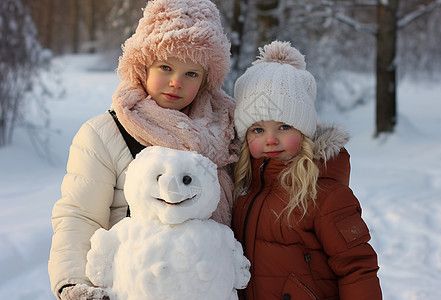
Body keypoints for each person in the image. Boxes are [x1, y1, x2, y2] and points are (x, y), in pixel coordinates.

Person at [48, 0, 239, 299]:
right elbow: (80, 216)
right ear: (143, 65)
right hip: (132, 288)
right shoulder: (104, 134)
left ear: (205, 81)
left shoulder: (224, 133)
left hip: (206, 285)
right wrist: (73, 282)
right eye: (166, 67)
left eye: (191, 74)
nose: (176, 82)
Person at [232, 41, 382, 300]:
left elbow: (357, 267)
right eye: (258, 129)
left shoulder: (324, 194)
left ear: (304, 131)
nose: (270, 139)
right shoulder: (240, 187)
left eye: (284, 127)